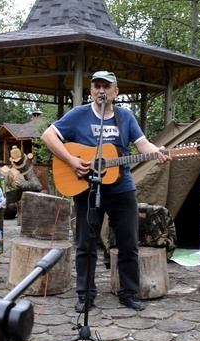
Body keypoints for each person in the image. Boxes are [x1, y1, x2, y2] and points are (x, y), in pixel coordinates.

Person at [41, 70, 171, 312]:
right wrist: (71, 160)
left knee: (128, 242)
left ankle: (129, 293)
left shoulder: (125, 117)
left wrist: (158, 151)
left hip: (122, 188)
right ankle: (86, 295)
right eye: (97, 86)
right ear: (91, 90)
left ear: (116, 92)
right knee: (85, 244)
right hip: (88, 188)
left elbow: (142, 144)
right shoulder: (78, 115)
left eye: (106, 86)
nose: (101, 90)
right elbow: (48, 135)